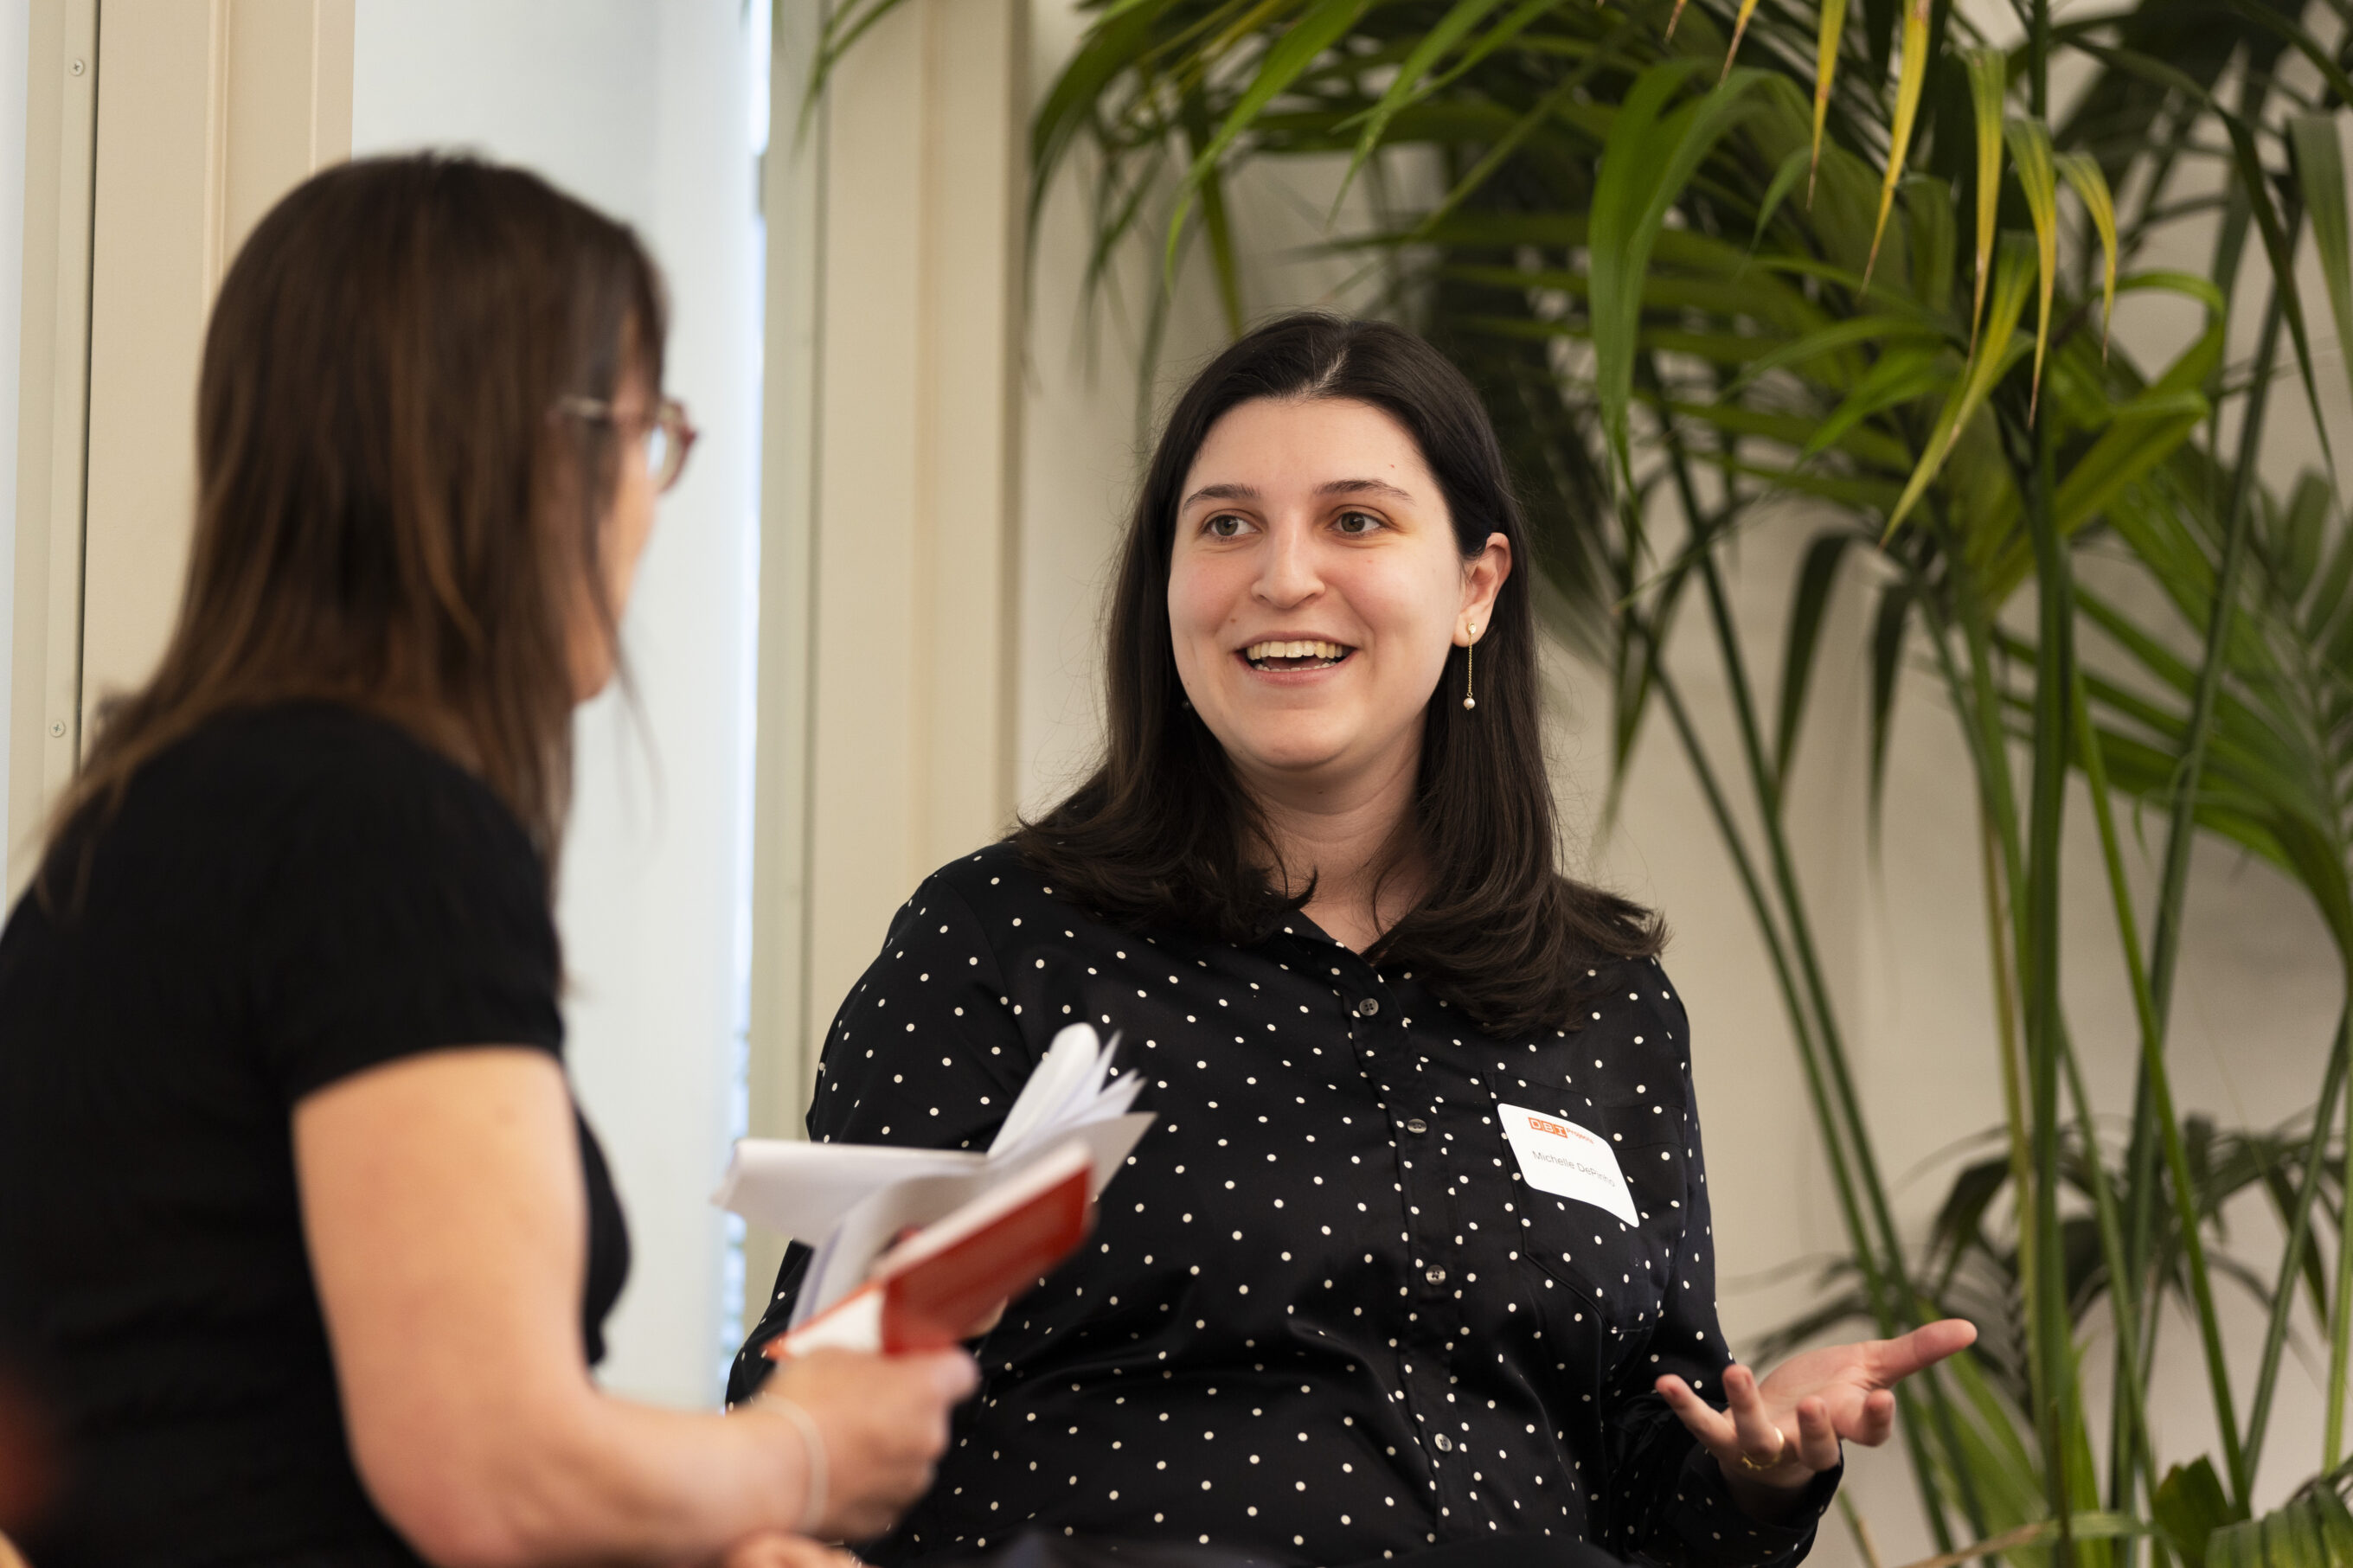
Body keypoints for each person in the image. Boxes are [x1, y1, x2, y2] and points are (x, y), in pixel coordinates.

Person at [729, 313, 1973, 1567]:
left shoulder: (1606, 1001)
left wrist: (1757, 1467)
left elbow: (1656, 1496)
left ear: (1476, 587)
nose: (1283, 577)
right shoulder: (1000, 942)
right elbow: (803, 1411)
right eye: (1227, 525)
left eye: (1356, 521)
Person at [0, 154, 975, 1568]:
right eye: (648, 437)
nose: (651, 504)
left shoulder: (143, 819)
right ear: (525, 451)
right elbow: (488, 1473)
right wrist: (805, 1451)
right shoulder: (376, 827)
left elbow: (244, 1425)